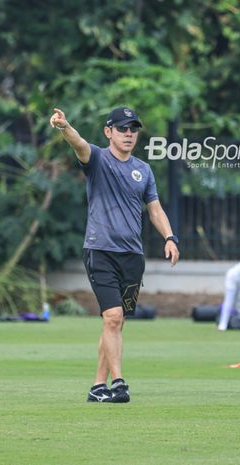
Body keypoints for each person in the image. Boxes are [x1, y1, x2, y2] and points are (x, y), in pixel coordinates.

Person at [50, 106, 180, 403]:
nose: (129, 134)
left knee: (115, 322)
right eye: (122, 128)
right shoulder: (96, 159)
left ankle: (98, 386)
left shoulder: (144, 170)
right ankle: (119, 383)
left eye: (133, 129)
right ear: (108, 132)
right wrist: (64, 127)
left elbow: (155, 209)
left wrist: (170, 237)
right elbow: (79, 143)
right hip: (100, 250)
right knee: (112, 316)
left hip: (132, 256)